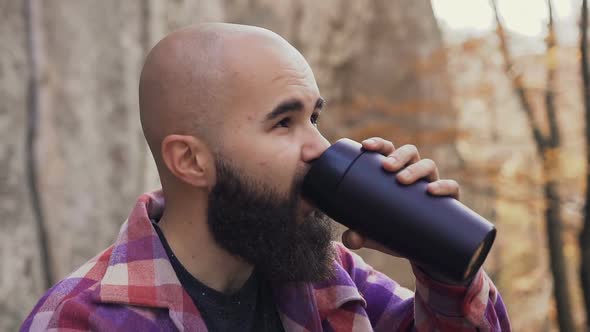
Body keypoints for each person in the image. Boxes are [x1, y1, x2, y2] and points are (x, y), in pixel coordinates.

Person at [22, 23, 511, 331]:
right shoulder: (83, 319)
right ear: (191, 161)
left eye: (313, 118)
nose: (319, 147)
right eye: (284, 122)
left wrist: (439, 257)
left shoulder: (326, 277)